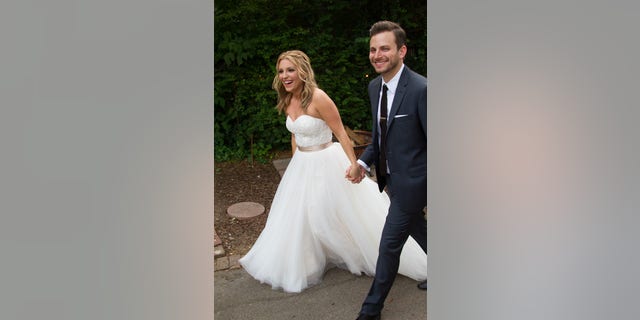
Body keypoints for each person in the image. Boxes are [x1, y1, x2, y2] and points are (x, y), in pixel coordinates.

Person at [238, 50, 427, 294]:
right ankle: (308, 260)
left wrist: (355, 165)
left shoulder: (319, 98)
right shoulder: (287, 99)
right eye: (281, 71)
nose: (285, 76)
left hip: (327, 160)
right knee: (301, 214)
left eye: (290, 70)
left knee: (344, 212)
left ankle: (396, 254)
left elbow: (340, 132)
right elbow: (295, 134)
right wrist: (295, 164)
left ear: (303, 71)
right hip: (302, 164)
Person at [348, 21, 428, 320]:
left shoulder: (422, 89)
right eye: (372, 49)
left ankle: (371, 311)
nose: (377, 54)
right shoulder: (374, 87)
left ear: (401, 50)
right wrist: (362, 163)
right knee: (419, 229)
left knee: (389, 244)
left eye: (384, 48)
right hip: (390, 179)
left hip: (414, 182)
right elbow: (380, 135)